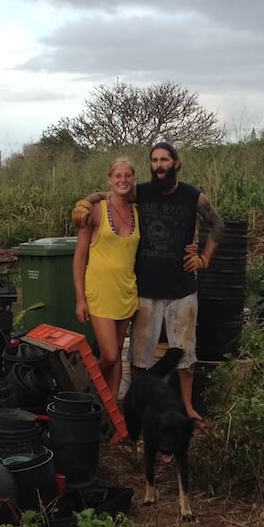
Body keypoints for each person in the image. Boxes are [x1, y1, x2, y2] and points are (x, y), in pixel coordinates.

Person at [74, 141, 224, 424]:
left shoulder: (192, 195)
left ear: (176, 163)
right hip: (145, 291)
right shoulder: (140, 192)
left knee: (185, 353)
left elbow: (218, 224)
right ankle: (138, 407)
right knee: (139, 357)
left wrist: (204, 258)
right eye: (154, 160)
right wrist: (86, 200)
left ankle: (187, 407)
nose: (158, 165)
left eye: (164, 160)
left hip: (182, 289)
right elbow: (109, 193)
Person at [72, 157, 140, 404]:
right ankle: (79, 384)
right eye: (118, 176)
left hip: (126, 293)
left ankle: (112, 416)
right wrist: (80, 298)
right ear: (109, 180)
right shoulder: (95, 210)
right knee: (110, 356)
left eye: (128, 176)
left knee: (117, 355)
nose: (123, 180)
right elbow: (80, 257)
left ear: (133, 179)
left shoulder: (136, 211)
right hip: (99, 293)